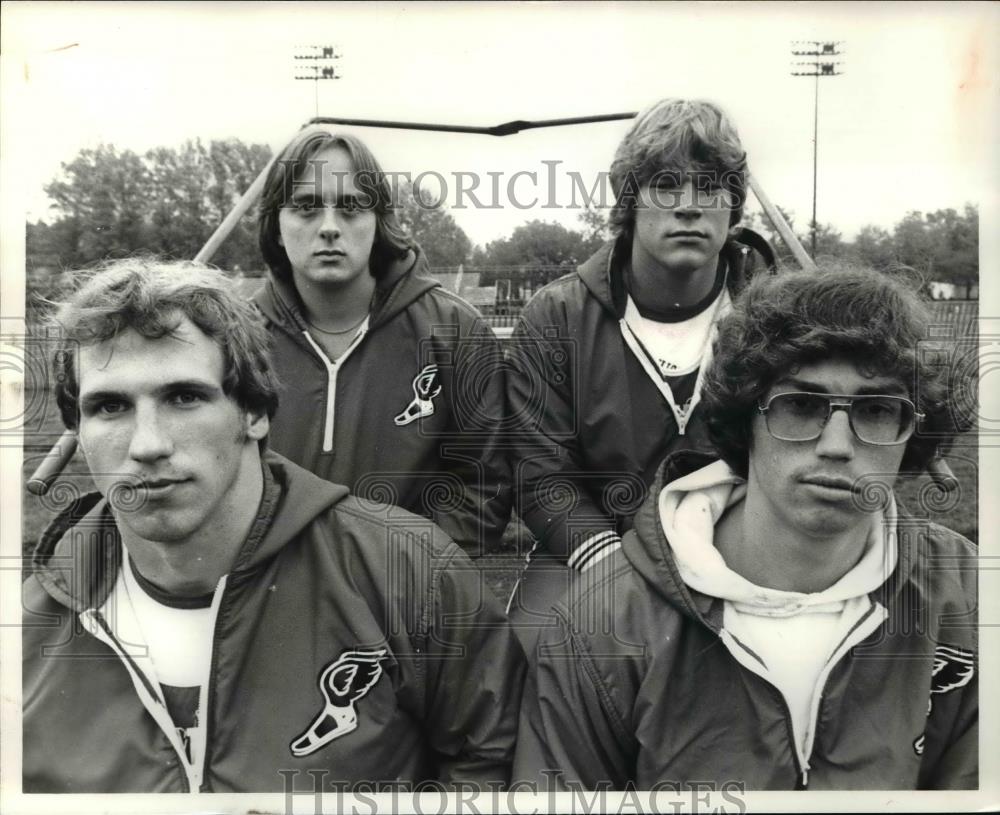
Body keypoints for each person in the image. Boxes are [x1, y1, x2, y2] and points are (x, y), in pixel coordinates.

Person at [22, 259, 525, 793]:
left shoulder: (410, 575)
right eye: (110, 406)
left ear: (255, 412)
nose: (148, 445)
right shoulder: (26, 632)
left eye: (184, 397)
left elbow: (490, 760)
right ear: (78, 431)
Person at [513, 265, 977, 790]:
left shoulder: (968, 597)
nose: (837, 445)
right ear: (744, 419)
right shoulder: (604, 622)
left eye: (875, 410)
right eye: (800, 405)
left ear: (911, 429)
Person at [506, 98, 776, 647]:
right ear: (629, 200)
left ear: (734, 205)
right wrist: (617, 573)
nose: (689, 206)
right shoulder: (558, 316)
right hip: (596, 547)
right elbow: (541, 477)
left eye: (710, 187)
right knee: (526, 664)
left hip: (741, 550)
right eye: (666, 185)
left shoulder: (780, 316)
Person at [254, 128, 509, 558]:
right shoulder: (236, 339)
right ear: (277, 226)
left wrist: (399, 574)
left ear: (378, 221)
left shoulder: (455, 331)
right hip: (270, 588)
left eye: (351, 207)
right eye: (306, 207)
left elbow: (482, 491)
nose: (329, 228)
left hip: (402, 588)